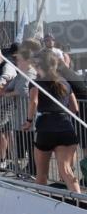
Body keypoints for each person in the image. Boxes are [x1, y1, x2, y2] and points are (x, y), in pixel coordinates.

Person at [21, 52, 81, 194]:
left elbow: (33, 102)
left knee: (42, 173)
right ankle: (80, 203)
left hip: (45, 129)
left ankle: (41, 204)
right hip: (66, 128)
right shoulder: (65, 82)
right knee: (66, 171)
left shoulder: (36, 82)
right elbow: (75, 108)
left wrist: (29, 121)